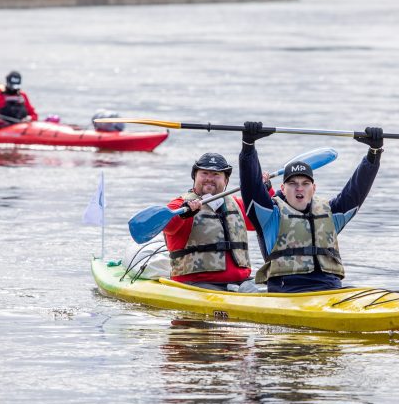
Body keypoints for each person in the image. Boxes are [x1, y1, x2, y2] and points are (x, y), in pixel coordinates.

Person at [239, 122, 383, 293]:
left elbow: (356, 190)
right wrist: (248, 147)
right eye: (292, 183)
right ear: (283, 189)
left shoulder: (331, 214)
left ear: (313, 188)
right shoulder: (270, 216)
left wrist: (374, 154)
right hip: (287, 293)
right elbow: (251, 187)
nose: (299, 188)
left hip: (330, 290)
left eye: (305, 183)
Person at [163, 152, 272, 292]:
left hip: (241, 282)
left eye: (216, 175)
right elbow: (167, 226)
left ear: (226, 180)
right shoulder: (178, 206)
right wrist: (184, 214)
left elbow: (266, 219)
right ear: (194, 176)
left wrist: (264, 191)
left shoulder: (237, 204)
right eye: (204, 173)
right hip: (196, 285)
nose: (209, 179)